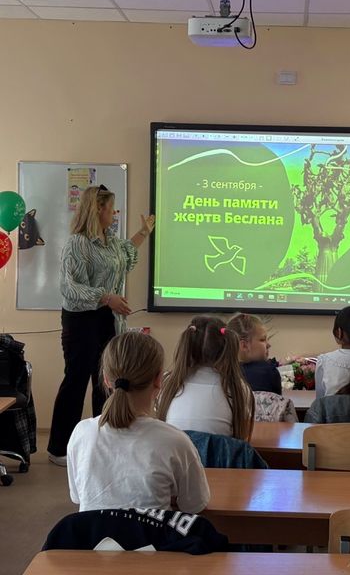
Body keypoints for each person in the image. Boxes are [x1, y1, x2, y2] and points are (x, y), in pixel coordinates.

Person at [47, 185, 155, 466]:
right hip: (81, 320)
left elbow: (126, 255)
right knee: (76, 380)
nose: (114, 213)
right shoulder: (78, 243)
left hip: (108, 318)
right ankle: (59, 448)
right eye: (111, 209)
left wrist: (144, 232)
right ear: (97, 210)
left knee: (106, 382)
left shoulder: (110, 241)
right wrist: (107, 297)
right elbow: (70, 287)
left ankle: (102, 443)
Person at [67, 331, 209, 513]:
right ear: (159, 380)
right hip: (151, 533)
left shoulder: (81, 433)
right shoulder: (176, 441)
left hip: (93, 532)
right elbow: (195, 504)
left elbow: (77, 497)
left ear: (106, 379)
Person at [157, 315, 254, 440]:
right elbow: (242, 438)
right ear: (226, 348)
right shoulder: (238, 388)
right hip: (218, 453)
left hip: (174, 452)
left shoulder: (167, 383)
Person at [227, 313, 281, 395]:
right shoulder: (269, 372)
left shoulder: (223, 374)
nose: (268, 345)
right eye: (262, 340)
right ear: (244, 345)